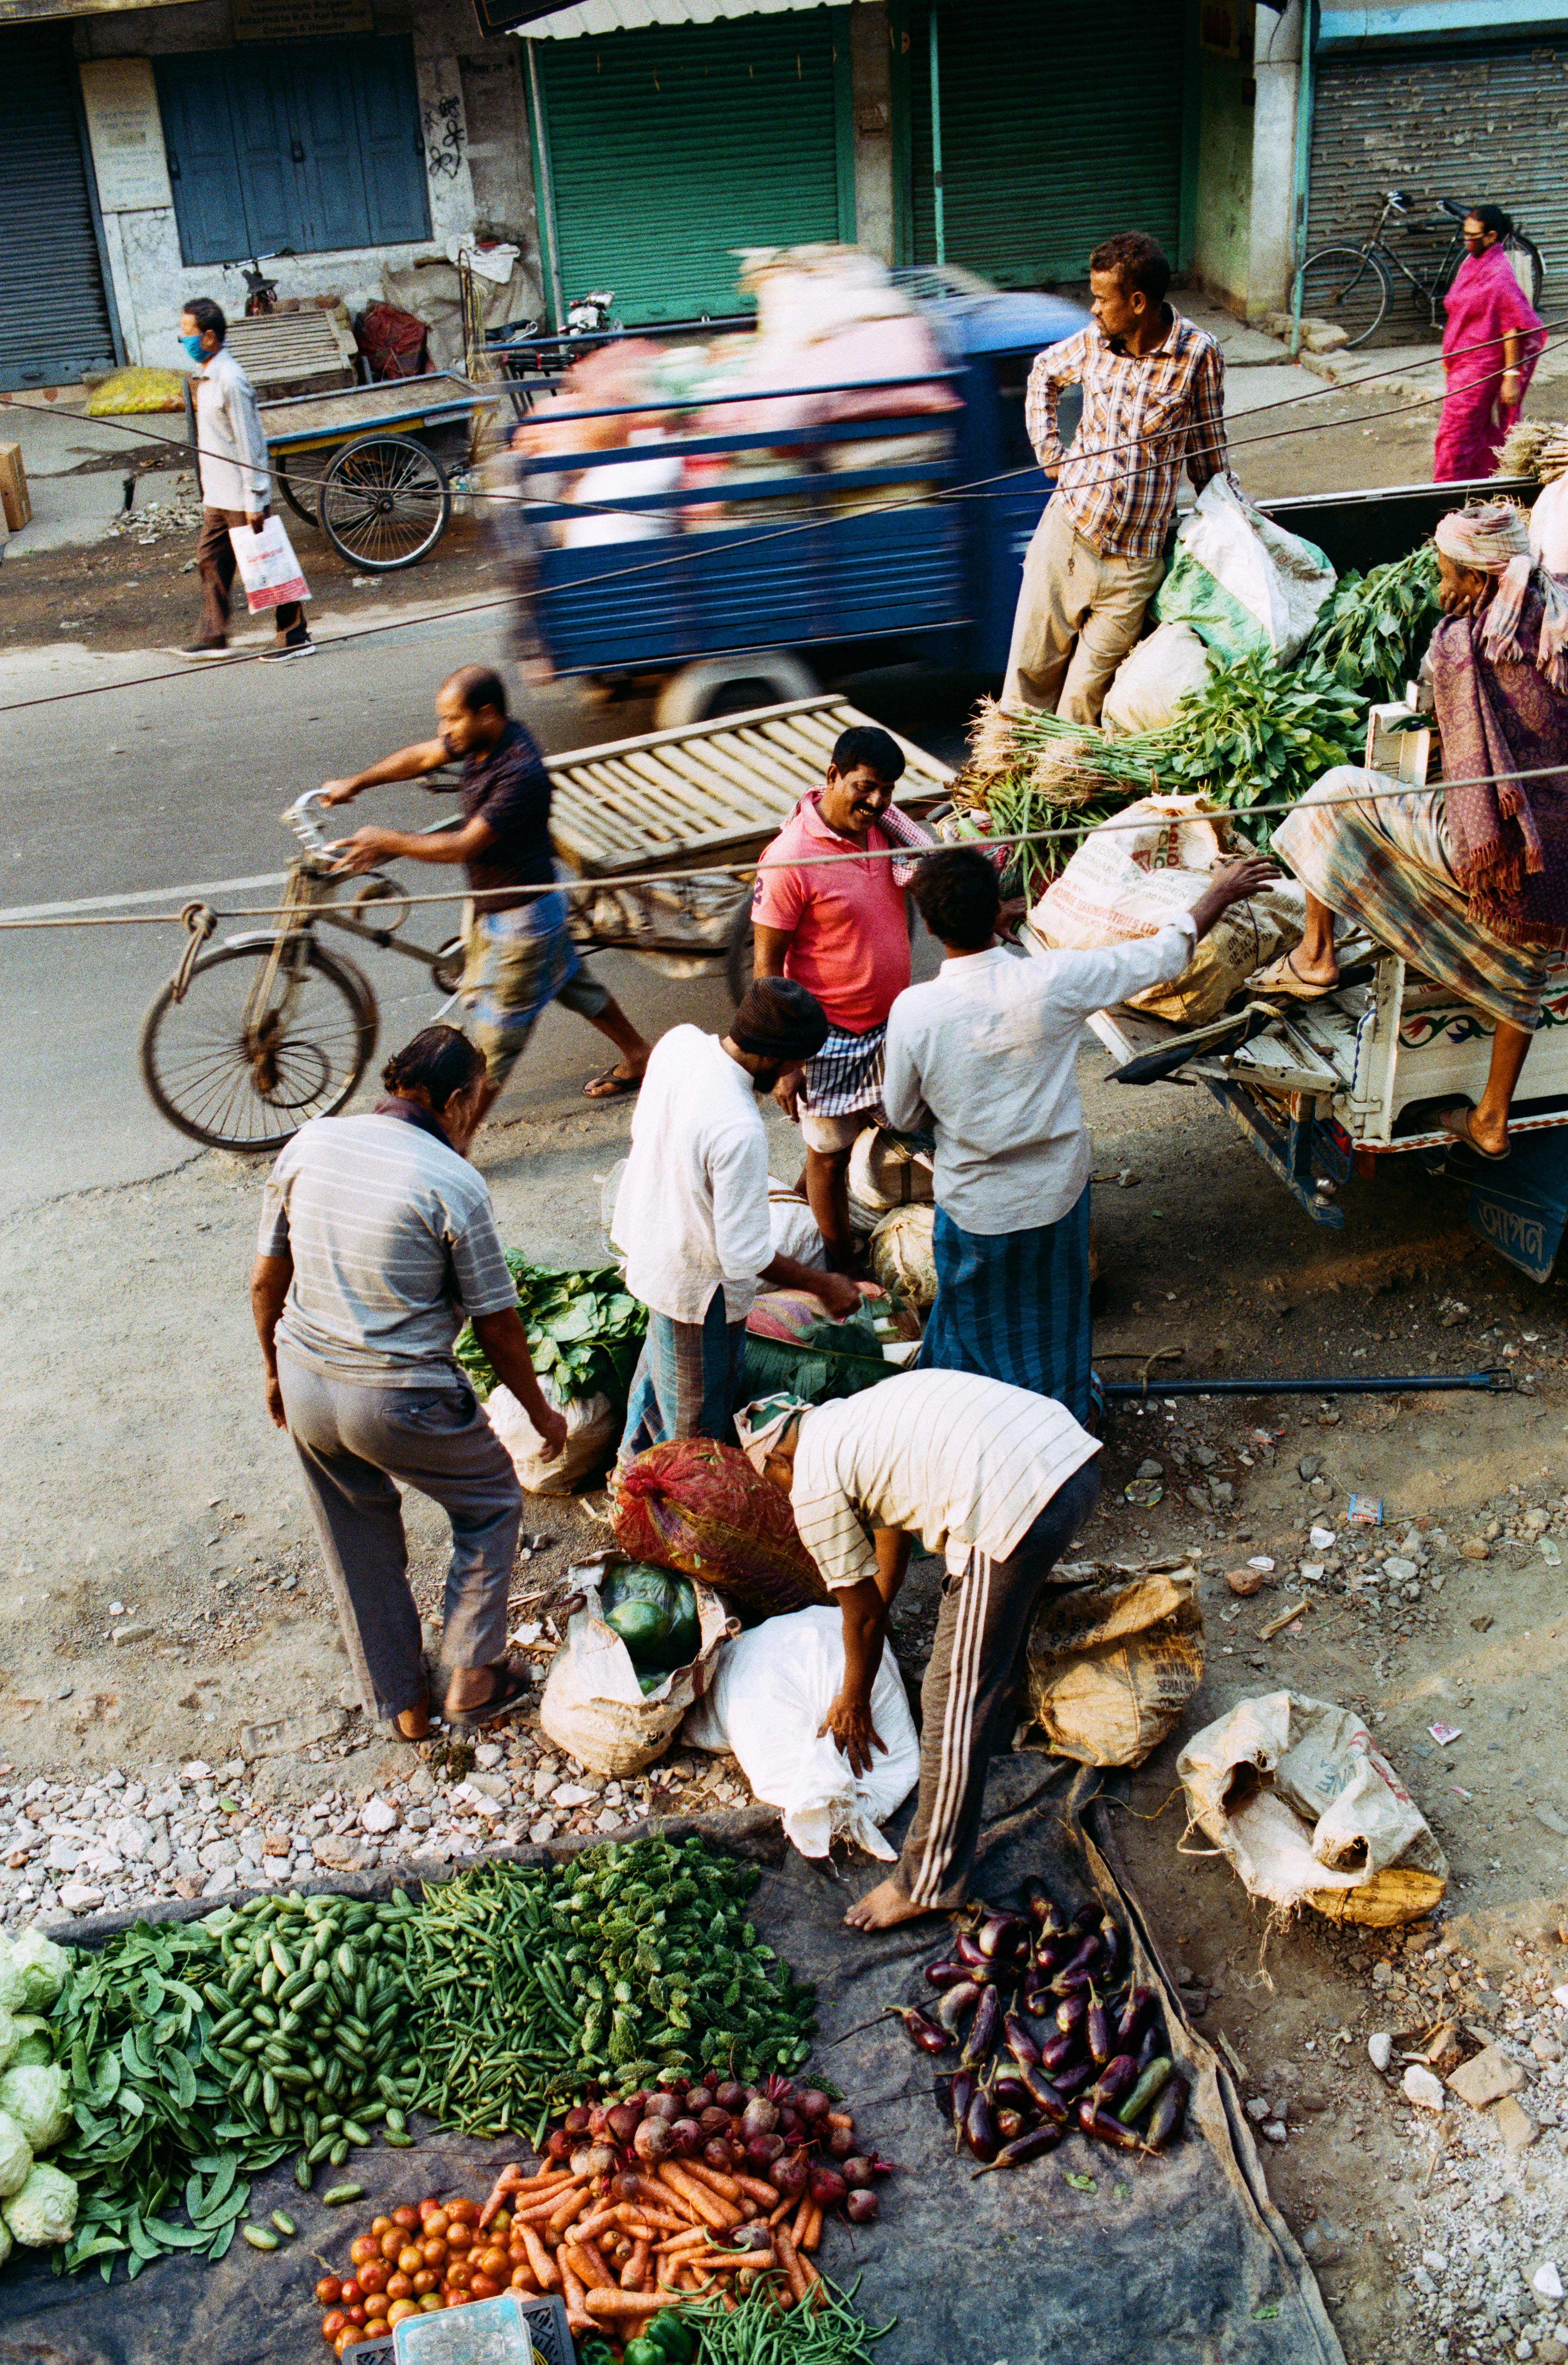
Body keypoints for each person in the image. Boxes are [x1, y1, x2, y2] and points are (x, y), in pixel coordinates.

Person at [884, 845, 1278, 1420]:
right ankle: (1056, 1419)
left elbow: (900, 1114)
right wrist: (1219, 890)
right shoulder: (1053, 980)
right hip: (1053, 1196)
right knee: (1051, 1314)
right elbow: (1163, 955)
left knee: (973, 1314)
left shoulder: (914, 1010)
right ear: (1001, 911)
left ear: (927, 923)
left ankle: (969, 1421)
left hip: (974, 1206)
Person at [250, 1024, 567, 1740]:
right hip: (399, 1396)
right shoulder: (453, 1182)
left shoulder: (311, 1143)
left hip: (306, 1377)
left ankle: (401, 1703)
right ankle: (472, 1677)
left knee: (354, 1534)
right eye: (476, 1103)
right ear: (456, 1100)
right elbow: (498, 1328)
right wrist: (542, 1416)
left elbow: (268, 1276)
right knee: (488, 1503)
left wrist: (273, 1371)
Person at [740, 1370, 1101, 1929]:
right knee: (980, 1642)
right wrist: (876, 1619)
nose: (780, 1494)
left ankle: (928, 1881)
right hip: (1068, 1457)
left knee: (951, 1692)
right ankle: (1000, 1715)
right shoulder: (848, 1419)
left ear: (779, 1462)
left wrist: (853, 1697)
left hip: (1017, 1502)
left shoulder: (810, 1484)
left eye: (772, 1483)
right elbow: (891, 1532)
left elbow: (857, 1618)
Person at [1266, 501, 1568, 1161]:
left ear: (1481, 577)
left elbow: (1437, 734)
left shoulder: (1462, 644)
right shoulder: (1561, 613)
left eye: (1448, 576)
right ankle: (1490, 1115)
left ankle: (1316, 952)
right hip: (1562, 857)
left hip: (1492, 850)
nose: (1441, 590)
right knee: (1531, 931)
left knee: (1336, 792)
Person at [324, 664, 651, 1111]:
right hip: (523, 907)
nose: (445, 731)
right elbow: (422, 757)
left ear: (488, 713)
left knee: (496, 1042)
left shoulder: (519, 773)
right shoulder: (481, 742)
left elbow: (465, 844)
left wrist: (388, 840)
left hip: (523, 920)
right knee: (573, 982)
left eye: (453, 719)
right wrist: (356, 783)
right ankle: (640, 1055)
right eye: (442, 720)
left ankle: (459, 1143)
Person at [612, 978, 874, 1459]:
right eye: (798, 1061)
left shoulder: (679, 1043)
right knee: (695, 1433)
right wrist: (825, 1283)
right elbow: (744, 1254)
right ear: (775, 1057)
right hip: (695, 1289)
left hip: (650, 1244)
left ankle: (628, 1471)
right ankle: (666, 1522)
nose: (799, 1071)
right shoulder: (739, 1127)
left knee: (655, 1381)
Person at [1004, 231, 1233, 724]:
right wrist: (1051, 453)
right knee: (1027, 684)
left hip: (1133, 569)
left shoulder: (1198, 355)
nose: (1093, 309)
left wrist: (1236, 517)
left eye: (1101, 298)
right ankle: (1004, 789)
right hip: (1068, 539)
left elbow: (1209, 453)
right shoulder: (1093, 343)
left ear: (1137, 302)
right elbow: (1043, 373)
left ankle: (1054, 794)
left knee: (1080, 710)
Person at [750, 724, 931, 1271]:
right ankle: (839, 1270)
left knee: (898, 1130)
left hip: (890, 1028)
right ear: (833, 776)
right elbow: (765, 969)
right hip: (825, 1039)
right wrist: (785, 1062)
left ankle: (808, 1216)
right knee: (827, 1156)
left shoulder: (886, 834)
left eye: (888, 790)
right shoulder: (789, 858)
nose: (877, 801)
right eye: (865, 786)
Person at [174, 296, 313, 665]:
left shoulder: (231, 380)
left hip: (241, 495)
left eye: (186, 334)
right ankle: (213, 635)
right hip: (218, 496)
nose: (182, 341)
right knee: (210, 560)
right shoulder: (206, 377)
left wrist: (255, 498)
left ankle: (296, 635)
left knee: (266, 566)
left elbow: (252, 445)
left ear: (208, 338)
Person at [1434, 207, 1544, 485]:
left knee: (1453, 438)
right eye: (1465, 235)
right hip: (1461, 362)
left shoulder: (1499, 275)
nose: (1466, 242)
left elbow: (1513, 328)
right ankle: (1484, 487)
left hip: (1482, 368)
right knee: (1478, 433)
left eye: (1472, 236)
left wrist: (1511, 379)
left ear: (1492, 236)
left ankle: (1443, 493)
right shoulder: (1471, 263)